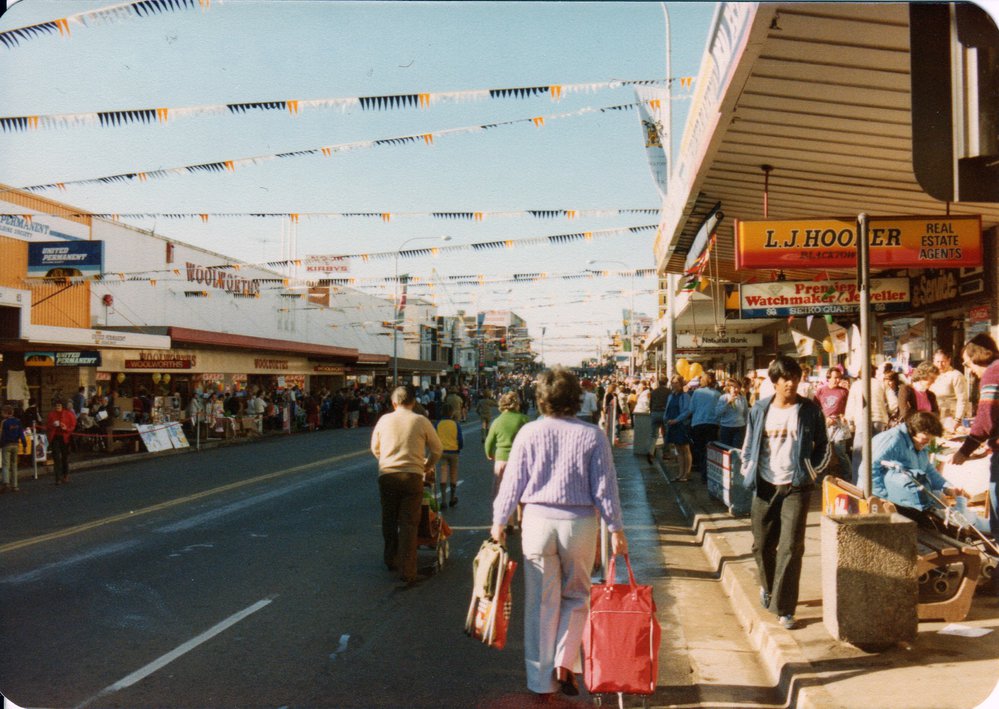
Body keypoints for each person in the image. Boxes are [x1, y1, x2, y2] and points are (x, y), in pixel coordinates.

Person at [490, 367, 627, 698]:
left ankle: (540, 680)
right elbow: (605, 488)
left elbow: (512, 484)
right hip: (579, 525)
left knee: (540, 602)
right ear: (575, 398)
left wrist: (499, 521)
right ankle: (566, 661)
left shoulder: (528, 433)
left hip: (536, 523)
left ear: (540, 399)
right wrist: (616, 528)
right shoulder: (593, 435)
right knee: (577, 595)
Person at [741, 355, 829, 630]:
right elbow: (748, 443)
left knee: (791, 548)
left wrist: (810, 472)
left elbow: (824, 447)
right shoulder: (759, 409)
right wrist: (748, 468)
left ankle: (785, 607)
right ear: (775, 382)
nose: (790, 383)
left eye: (794, 378)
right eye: (784, 378)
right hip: (765, 485)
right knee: (762, 545)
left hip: (796, 487)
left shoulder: (809, 410)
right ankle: (768, 588)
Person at [370, 386, 443, 585]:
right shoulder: (421, 421)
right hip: (412, 476)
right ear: (413, 402)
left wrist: (386, 461)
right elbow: (437, 450)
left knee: (389, 519)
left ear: (394, 403)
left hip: (387, 475)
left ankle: (390, 559)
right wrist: (425, 466)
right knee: (409, 523)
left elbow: (375, 448)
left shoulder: (384, 420)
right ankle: (408, 570)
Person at [951, 333, 999, 593]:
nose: (967, 369)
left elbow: (987, 421)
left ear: (974, 355)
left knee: (998, 517)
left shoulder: (992, 374)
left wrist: (965, 451)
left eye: (966, 363)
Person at [870, 411, 967, 526]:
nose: (927, 444)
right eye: (925, 440)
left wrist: (947, 487)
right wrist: (883, 496)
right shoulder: (892, 440)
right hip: (887, 500)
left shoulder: (920, 444)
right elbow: (870, 468)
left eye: (929, 441)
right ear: (912, 431)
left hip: (908, 498)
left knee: (941, 506)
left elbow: (928, 470)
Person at [484, 391, 530, 531]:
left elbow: (489, 443)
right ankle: (521, 519)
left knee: (504, 492)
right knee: (522, 491)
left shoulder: (497, 421)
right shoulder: (524, 419)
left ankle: (509, 522)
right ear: (516, 404)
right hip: (520, 461)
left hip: (502, 460)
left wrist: (490, 454)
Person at [679, 371, 721, 482]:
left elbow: (691, 409)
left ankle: (703, 474)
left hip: (698, 424)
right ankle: (709, 475)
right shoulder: (717, 394)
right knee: (710, 450)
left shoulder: (697, 393)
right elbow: (719, 410)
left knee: (701, 450)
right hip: (712, 424)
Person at [815, 366, 852, 479]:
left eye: (839, 378)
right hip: (825, 424)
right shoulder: (821, 390)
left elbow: (850, 407)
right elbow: (816, 407)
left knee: (840, 451)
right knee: (824, 451)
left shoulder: (844, 391)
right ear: (828, 378)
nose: (837, 380)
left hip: (839, 424)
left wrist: (844, 416)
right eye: (835, 378)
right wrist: (824, 418)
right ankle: (822, 477)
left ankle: (848, 476)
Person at [663, 374, 693, 481]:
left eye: (676, 382)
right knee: (678, 450)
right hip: (672, 424)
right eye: (673, 382)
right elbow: (667, 409)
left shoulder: (685, 396)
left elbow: (687, 411)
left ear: (681, 384)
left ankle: (687, 473)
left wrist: (677, 420)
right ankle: (680, 473)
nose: (674, 385)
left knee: (685, 449)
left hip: (681, 425)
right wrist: (666, 419)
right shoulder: (671, 396)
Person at [433, 405, 464, 507]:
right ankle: (452, 498)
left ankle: (443, 500)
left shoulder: (438, 424)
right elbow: (460, 439)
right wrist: (459, 447)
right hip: (453, 451)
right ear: (451, 413)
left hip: (442, 452)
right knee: (453, 473)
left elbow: (433, 437)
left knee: (443, 473)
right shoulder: (455, 424)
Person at [930, 349, 969, 427]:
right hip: (934, 416)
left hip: (951, 417)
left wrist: (958, 419)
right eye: (937, 362)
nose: (940, 365)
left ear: (949, 360)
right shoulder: (931, 376)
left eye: (943, 361)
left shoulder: (956, 375)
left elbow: (962, 399)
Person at [46, 399, 77, 485]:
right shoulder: (51, 414)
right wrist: (53, 425)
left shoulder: (68, 414)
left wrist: (65, 427)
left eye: (59, 406)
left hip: (64, 437)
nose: (57, 407)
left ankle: (65, 475)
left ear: (62, 406)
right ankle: (57, 478)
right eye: (56, 406)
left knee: (64, 457)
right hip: (55, 437)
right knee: (56, 458)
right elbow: (48, 425)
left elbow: (73, 425)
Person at [715, 378, 748, 449]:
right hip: (726, 427)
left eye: (738, 387)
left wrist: (745, 426)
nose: (736, 390)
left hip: (739, 428)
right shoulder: (723, 398)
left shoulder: (742, 399)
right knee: (725, 449)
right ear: (729, 388)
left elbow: (746, 414)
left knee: (737, 450)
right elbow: (718, 412)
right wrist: (727, 403)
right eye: (734, 387)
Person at [1, 405, 27, 493]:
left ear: (6, 413)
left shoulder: (4, 422)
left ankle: (6, 482)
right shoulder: (18, 421)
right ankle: (15, 485)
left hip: (6, 444)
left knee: (5, 464)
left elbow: (2, 434)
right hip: (16, 444)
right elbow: (21, 434)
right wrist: (24, 445)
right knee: (14, 465)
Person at [647, 377, 670, 464]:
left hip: (655, 413)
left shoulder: (653, 392)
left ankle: (650, 451)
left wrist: (651, 412)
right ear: (666, 383)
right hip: (664, 413)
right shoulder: (669, 392)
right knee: (666, 434)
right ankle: (666, 453)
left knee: (653, 435)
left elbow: (651, 403)